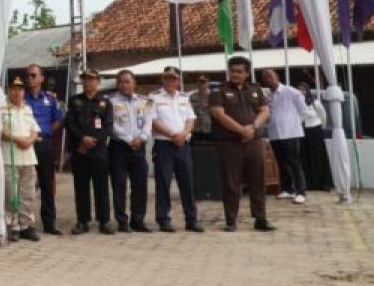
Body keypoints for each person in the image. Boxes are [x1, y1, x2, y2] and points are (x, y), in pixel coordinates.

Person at [210, 56, 274, 232]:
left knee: (258, 180)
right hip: (230, 143)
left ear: (247, 73)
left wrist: (252, 128)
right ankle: (231, 220)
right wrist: (241, 130)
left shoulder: (255, 89)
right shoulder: (219, 91)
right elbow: (218, 114)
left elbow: (265, 110)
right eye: (232, 71)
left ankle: (260, 218)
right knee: (231, 182)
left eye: (239, 71)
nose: (235, 74)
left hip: (254, 141)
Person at [150, 67, 203, 233]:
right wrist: (173, 134)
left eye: (174, 78)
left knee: (187, 182)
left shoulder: (184, 98)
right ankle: (163, 219)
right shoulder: (153, 97)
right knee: (163, 183)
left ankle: (191, 219)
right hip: (164, 144)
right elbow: (152, 121)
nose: (171, 81)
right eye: (167, 78)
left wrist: (184, 134)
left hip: (183, 145)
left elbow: (191, 120)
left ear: (178, 80)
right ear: (162, 79)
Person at [64, 69, 115, 235]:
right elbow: (69, 124)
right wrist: (82, 139)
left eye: (92, 79)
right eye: (85, 79)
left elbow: (108, 127)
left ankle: (104, 221)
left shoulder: (105, 103)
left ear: (98, 82)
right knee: (81, 187)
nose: (88, 82)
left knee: (101, 187)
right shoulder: (74, 101)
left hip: (99, 151)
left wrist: (93, 140)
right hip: (80, 151)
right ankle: (82, 221)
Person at [109, 70, 152, 233]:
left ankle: (138, 220)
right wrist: (129, 139)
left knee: (140, 185)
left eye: (127, 81)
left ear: (134, 83)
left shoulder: (146, 101)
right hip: (119, 147)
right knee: (119, 185)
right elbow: (111, 125)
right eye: (121, 82)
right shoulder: (110, 102)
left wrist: (141, 138)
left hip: (139, 147)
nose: (124, 85)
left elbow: (149, 122)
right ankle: (122, 221)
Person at [23, 64, 63, 235]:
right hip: (26, 145)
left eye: (33, 75)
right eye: (28, 76)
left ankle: (49, 223)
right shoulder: (21, 98)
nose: (30, 78)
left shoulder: (50, 98)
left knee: (47, 185)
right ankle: (26, 223)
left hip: (44, 144)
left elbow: (58, 120)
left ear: (41, 78)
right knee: (27, 186)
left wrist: (44, 133)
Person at [261, 68, 309, 205]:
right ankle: (288, 189)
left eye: (270, 76)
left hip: (291, 133)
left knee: (294, 162)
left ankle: (301, 192)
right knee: (281, 162)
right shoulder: (268, 96)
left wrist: (293, 124)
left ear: (277, 76)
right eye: (265, 77)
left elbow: (304, 111)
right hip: (275, 134)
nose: (267, 79)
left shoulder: (291, 91)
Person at [2, 77, 41, 242]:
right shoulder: (2, 110)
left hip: (28, 157)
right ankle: (13, 225)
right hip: (11, 157)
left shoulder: (28, 109)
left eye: (20, 89)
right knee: (12, 194)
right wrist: (19, 140)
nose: (17, 92)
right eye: (13, 89)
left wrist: (30, 140)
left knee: (28, 194)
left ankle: (26, 225)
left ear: (24, 92)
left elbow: (35, 130)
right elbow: (1, 132)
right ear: (9, 91)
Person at [297, 82, 333, 191]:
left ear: (307, 91)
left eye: (303, 90)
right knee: (306, 158)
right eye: (299, 90)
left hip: (316, 131)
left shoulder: (315, 103)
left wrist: (320, 127)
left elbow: (323, 117)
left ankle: (324, 183)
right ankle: (309, 183)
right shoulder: (297, 104)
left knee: (319, 156)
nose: (301, 92)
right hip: (303, 132)